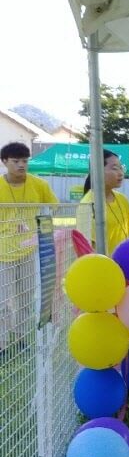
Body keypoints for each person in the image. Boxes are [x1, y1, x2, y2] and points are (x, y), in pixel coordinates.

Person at [0, 142, 58, 355]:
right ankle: (2, 343)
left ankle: (22, 339)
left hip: (29, 249)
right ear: (4, 162)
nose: (21, 165)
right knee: (3, 301)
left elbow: (53, 208)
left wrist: (36, 223)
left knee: (25, 298)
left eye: (25, 161)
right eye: (16, 161)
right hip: (3, 251)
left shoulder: (39, 185)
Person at [79, 149, 129, 254]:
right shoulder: (87, 204)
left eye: (121, 168)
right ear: (97, 171)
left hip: (124, 263)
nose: (120, 173)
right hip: (102, 263)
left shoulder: (123, 200)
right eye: (115, 168)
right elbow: (88, 248)